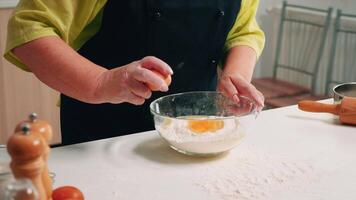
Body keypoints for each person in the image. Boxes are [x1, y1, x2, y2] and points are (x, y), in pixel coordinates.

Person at [4, 0, 265, 145]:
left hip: (199, 134)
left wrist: (236, 74)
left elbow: (244, 31)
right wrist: (100, 82)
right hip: (103, 135)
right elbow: (30, 29)